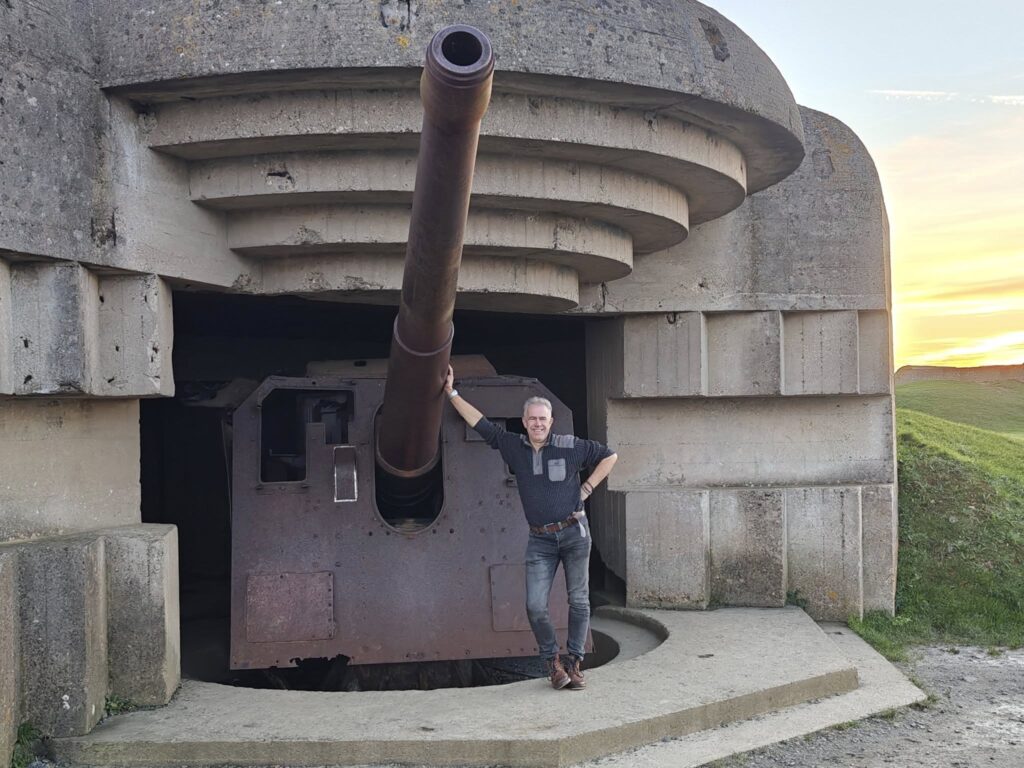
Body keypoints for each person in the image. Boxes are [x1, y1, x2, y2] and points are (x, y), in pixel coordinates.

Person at [444, 365, 618, 690]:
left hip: (574, 533)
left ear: (551, 422)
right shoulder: (514, 448)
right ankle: (552, 662)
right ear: (524, 422)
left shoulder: (570, 446)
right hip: (540, 540)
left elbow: (609, 456)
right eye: (532, 419)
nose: (538, 424)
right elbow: (479, 423)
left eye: (543, 419)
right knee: (535, 606)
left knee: (578, 600)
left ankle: (574, 663)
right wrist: (452, 393)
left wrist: (588, 488)